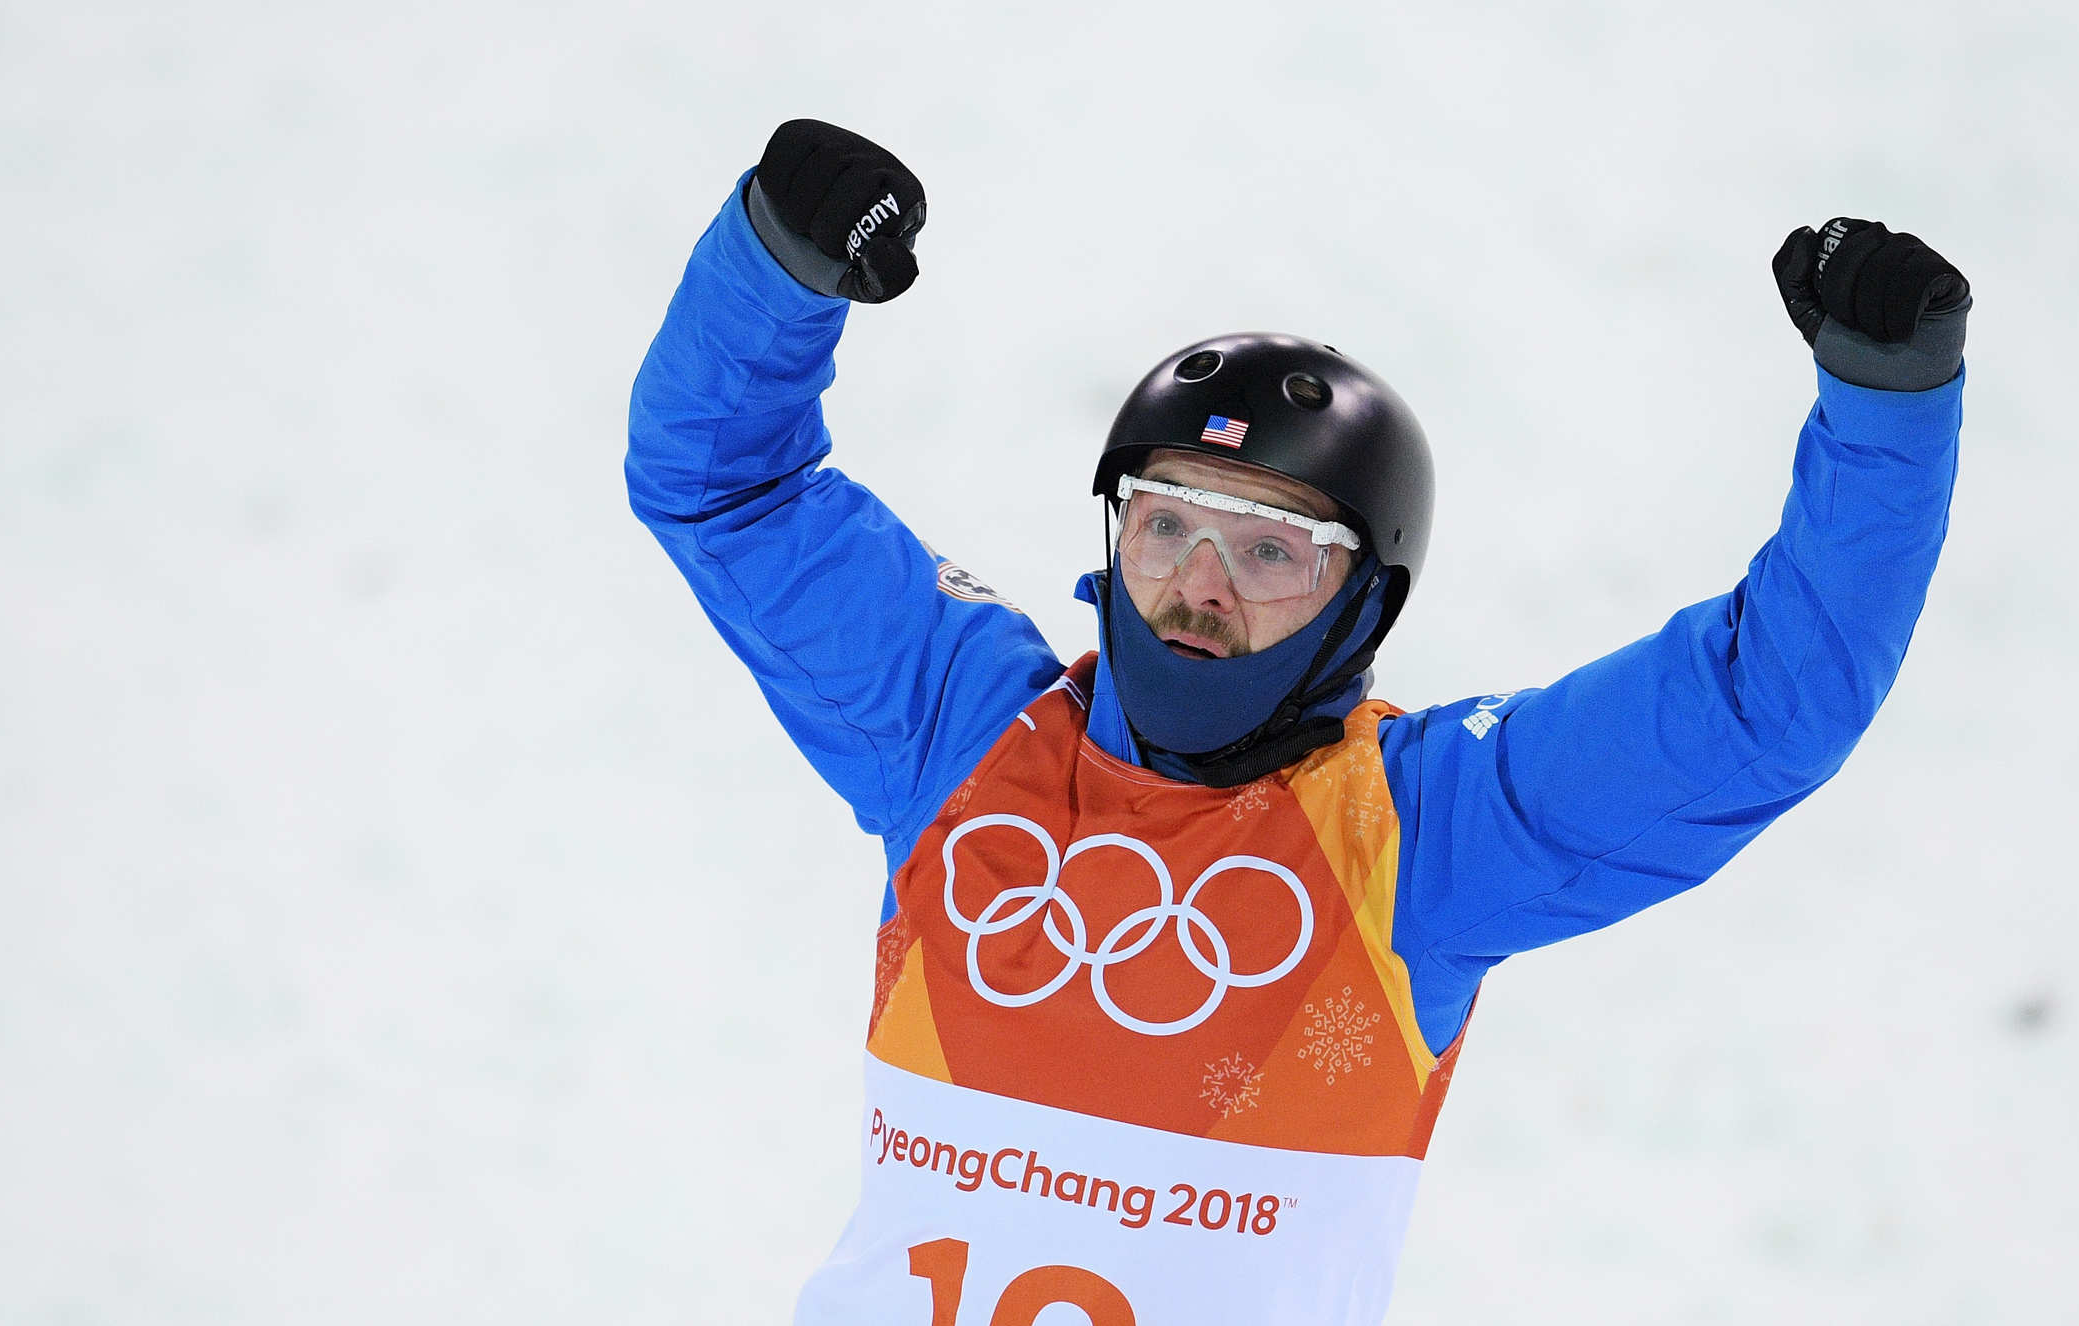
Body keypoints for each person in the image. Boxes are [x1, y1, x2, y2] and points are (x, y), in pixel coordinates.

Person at [627, 119, 1968, 1326]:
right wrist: (775, 264)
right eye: (1164, 525)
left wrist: (1886, 410)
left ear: (1362, 598)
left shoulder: (1424, 837)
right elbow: (724, 488)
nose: (1196, 588)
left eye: (1270, 551)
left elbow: (1761, 705)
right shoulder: (965, 734)